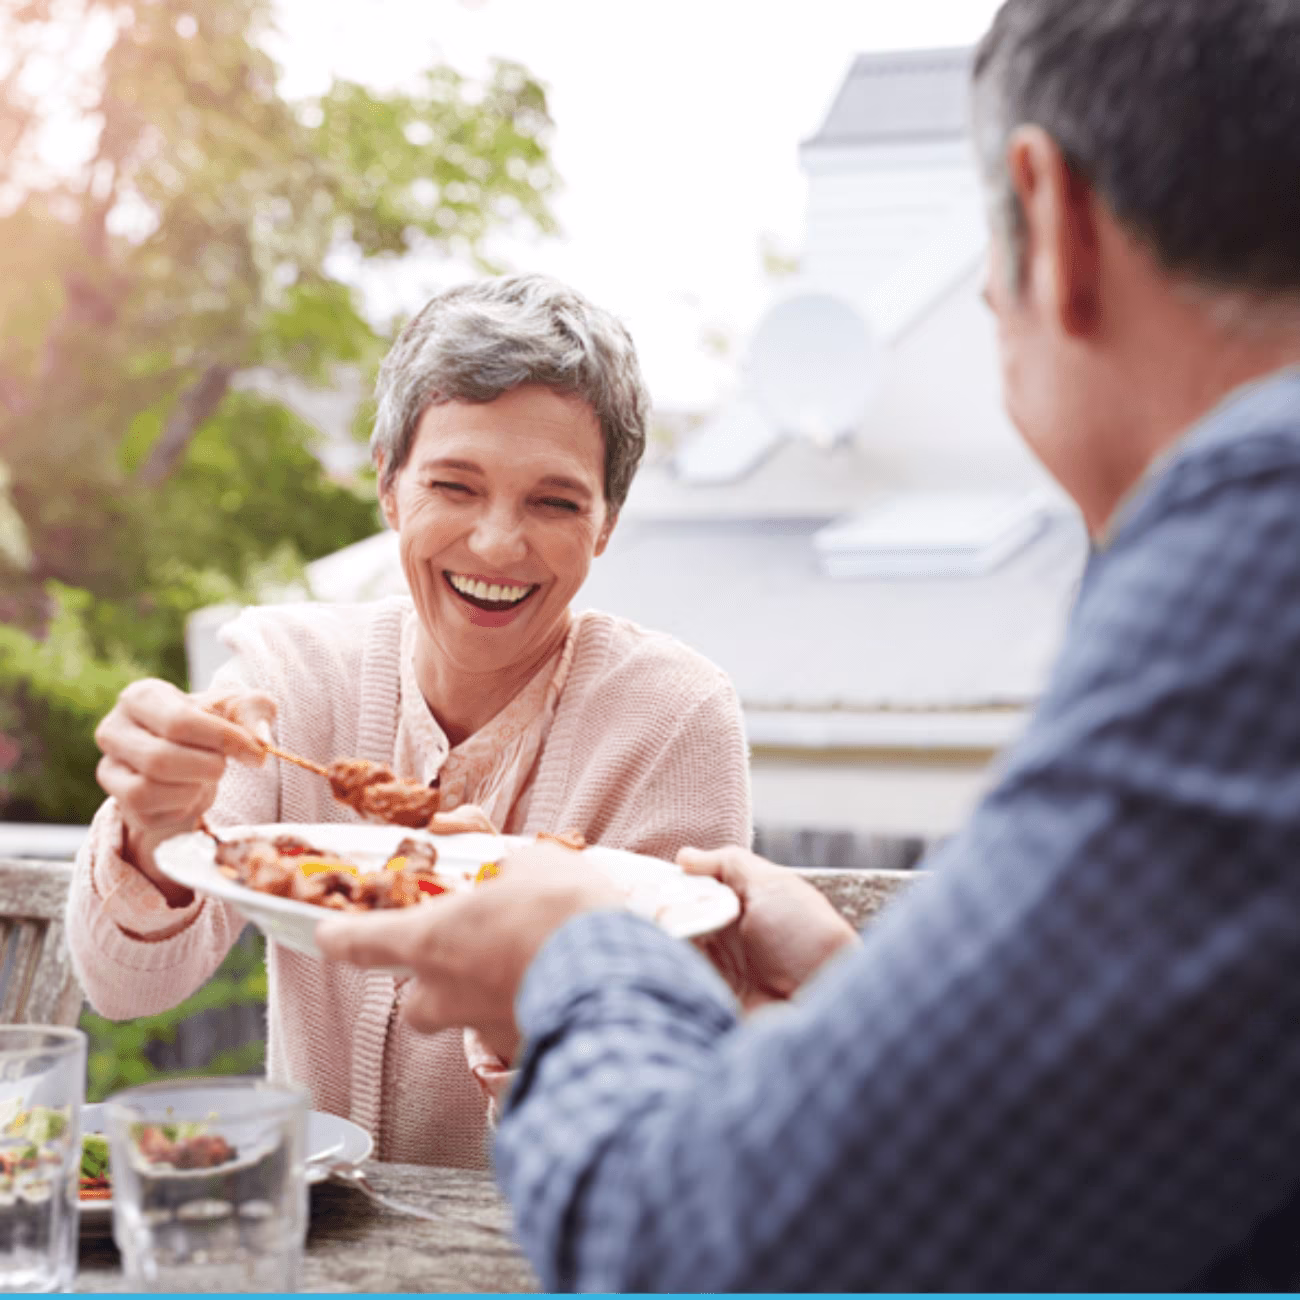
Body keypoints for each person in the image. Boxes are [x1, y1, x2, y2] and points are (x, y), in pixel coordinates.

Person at [315, 0, 1300, 1287]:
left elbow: (702, 1244)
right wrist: (848, 994)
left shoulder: (1250, 558)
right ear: (389, 484)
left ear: (1044, 215)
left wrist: (580, 953)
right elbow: (1119, 1133)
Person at [66, 274, 752, 1169]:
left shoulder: (673, 718)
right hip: (308, 1241)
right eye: (454, 486)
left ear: (607, 524)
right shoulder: (287, 674)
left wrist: (532, 984)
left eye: (555, 502)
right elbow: (124, 986)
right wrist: (149, 831)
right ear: (390, 489)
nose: (499, 544)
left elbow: (662, 1119)